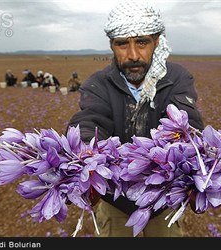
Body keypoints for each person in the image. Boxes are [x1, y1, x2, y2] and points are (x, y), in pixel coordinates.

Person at [66, 0, 204, 237]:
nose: (132, 55)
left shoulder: (176, 77)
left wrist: (187, 155)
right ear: (112, 45)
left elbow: (186, 119)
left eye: (142, 42)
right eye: (122, 44)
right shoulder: (98, 83)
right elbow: (90, 120)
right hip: (116, 200)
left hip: (163, 198)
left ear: (156, 42)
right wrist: (85, 155)